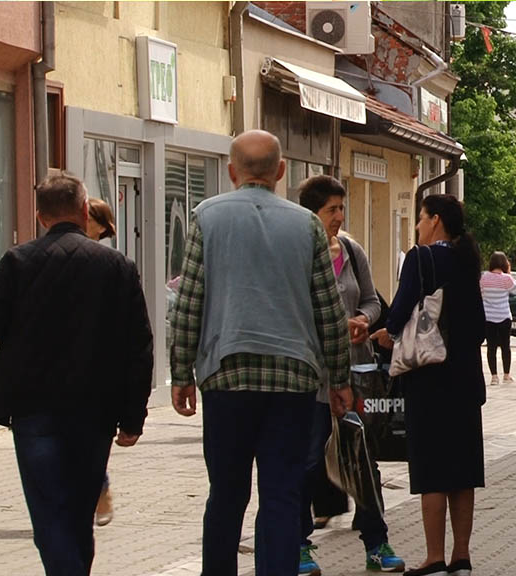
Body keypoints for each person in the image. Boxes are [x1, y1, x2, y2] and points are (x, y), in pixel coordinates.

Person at [169, 130, 351, 576]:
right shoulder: (306, 225)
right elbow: (328, 308)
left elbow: (190, 300)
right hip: (292, 380)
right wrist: (340, 378)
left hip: (226, 375)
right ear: (281, 172)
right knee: (282, 493)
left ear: (232, 172)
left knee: (226, 493)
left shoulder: (206, 218)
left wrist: (181, 373)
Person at [0, 173, 153, 575]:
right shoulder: (117, 266)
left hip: (33, 410)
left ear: (40, 216)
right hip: (96, 411)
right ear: (84, 212)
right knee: (80, 513)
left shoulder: (19, 262)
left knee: (49, 512)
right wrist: (134, 416)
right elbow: (139, 346)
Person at [371, 194, 486, 576]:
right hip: (466, 379)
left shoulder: (421, 258)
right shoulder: (468, 261)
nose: (418, 227)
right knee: (463, 472)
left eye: (420, 219)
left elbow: (401, 309)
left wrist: (384, 333)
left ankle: (435, 557)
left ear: (435, 220)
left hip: (429, 379)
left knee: (433, 469)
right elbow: (478, 324)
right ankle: (463, 556)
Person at [296, 175, 404, 575]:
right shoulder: (300, 252)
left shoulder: (352, 250)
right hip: (312, 376)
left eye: (342, 208)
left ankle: (376, 544)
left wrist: (362, 319)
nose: (339, 217)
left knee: (361, 461)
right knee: (308, 462)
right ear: (312, 214)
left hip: (355, 372)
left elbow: (375, 301)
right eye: (331, 210)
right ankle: (299, 546)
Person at [84, 197, 118, 527]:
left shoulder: (111, 263)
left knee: (92, 440)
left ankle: (101, 488)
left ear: (101, 224)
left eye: (89, 217)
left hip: (98, 370)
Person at [480, 251, 516, 385]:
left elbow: (479, 292)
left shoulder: (484, 277)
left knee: (491, 347)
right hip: (504, 315)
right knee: (505, 346)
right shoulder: (506, 279)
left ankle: (494, 377)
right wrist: (509, 273)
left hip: (488, 316)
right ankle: (506, 375)